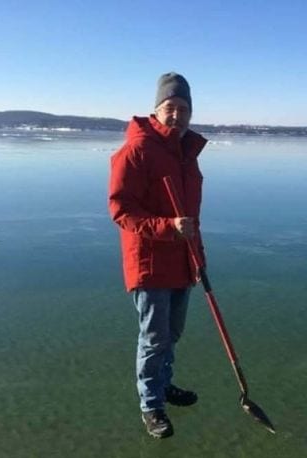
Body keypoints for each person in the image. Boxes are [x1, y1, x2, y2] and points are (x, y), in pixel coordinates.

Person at [108, 73, 207, 439]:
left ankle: (163, 384)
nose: (177, 116)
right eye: (170, 108)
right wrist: (167, 227)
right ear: (156, 109)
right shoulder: (137, 150)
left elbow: (192, 219)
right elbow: (121, 209)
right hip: (149, 263)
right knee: (154, 338)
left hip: (182, 260)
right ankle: (151, 406)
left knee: (172, 333)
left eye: (184, 109)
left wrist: (199, 255)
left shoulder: (186, 155)